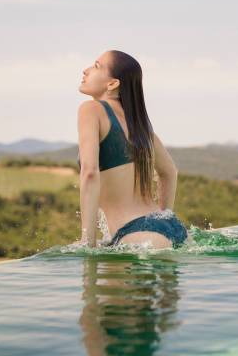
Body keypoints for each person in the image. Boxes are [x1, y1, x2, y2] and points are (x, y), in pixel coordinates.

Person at [76, 50, 188, 249]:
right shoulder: (139, 124)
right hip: (170, 228)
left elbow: (90, 174)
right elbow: (169, 171)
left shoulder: (90, 110)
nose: (85, 70)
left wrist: (87, 243)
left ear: (112, 83)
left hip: (137, 233)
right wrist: (163, 218)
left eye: (96, 66)